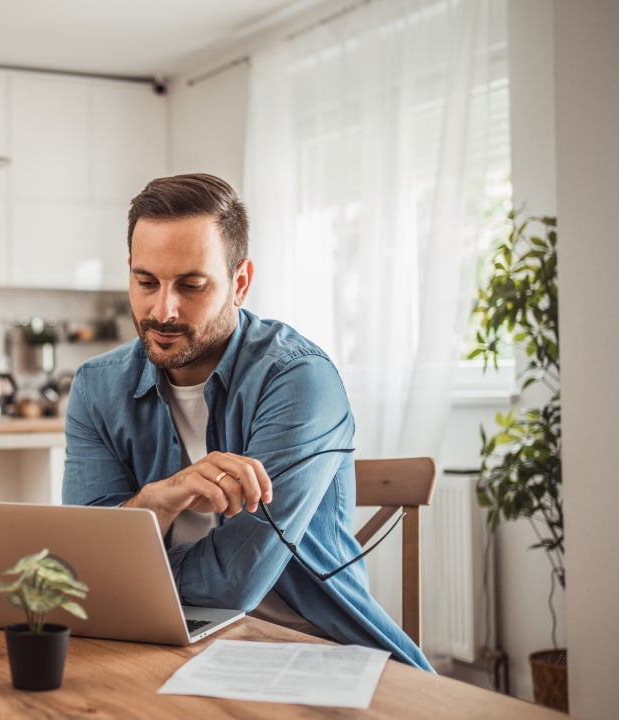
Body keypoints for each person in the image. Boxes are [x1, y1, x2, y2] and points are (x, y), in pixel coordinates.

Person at [62, 173, 432, 670]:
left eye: (191, 285)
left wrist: (120, 569)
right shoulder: (96, 387)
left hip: (311, 649)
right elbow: (84, 566)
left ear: (240, 283)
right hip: (160, 643)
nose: (162, 310)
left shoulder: (298, 379)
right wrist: (155, 500)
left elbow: (233, 583)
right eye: (145, 282)